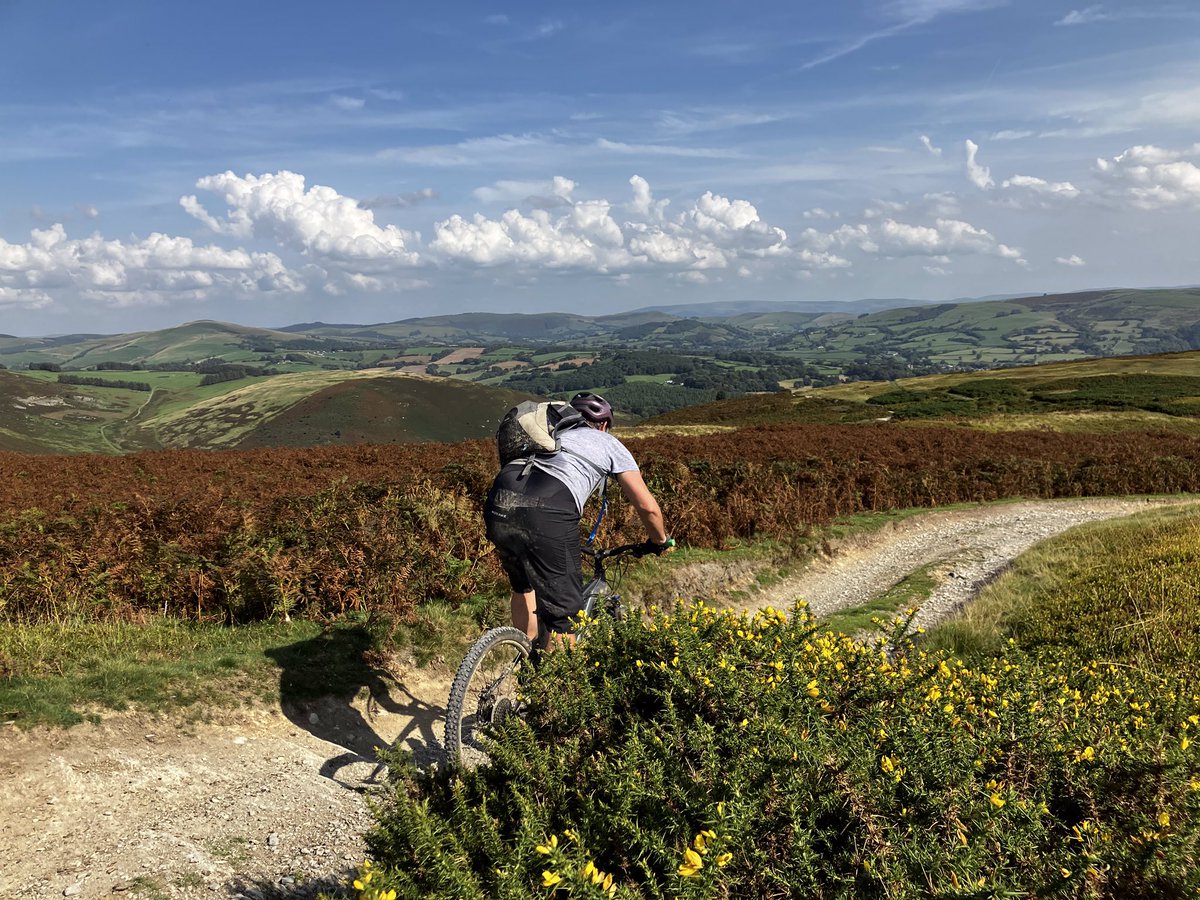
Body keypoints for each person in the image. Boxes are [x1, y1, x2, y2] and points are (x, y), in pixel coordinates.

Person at [484, 392, 671, 647]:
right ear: (604, 425)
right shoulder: (608, 443)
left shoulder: (548, 435)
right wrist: (660, 540)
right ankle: (558, 683)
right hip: (548, 511)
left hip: (499, 501)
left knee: (523, 586)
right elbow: (648, 508)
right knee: (564, 617)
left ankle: (524, 659)